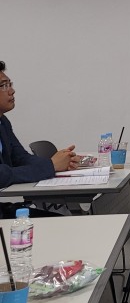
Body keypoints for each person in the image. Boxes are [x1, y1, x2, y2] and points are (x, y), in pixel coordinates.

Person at [0, 60, 79, 207]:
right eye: (4, 86)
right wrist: (51, 166)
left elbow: (21, 158)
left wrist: (62, 161)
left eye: (10, 84)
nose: (12, 91)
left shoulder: (3, 122)